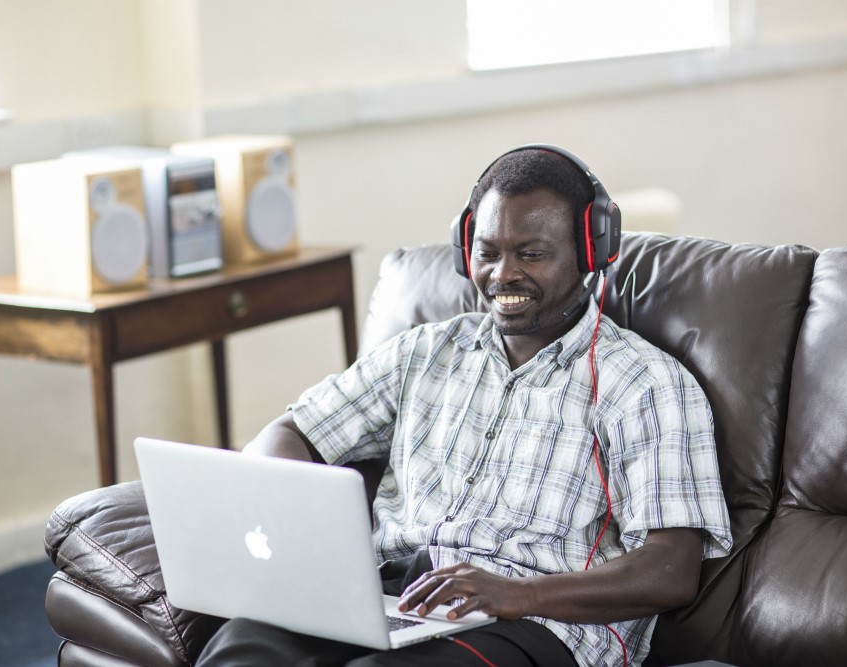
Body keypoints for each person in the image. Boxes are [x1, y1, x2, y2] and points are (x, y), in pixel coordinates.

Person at [197, 146, 732, 667]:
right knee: (244, 645)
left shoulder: (646, 384)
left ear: (591, 251)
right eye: (488, 252)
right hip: (390, 594)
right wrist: (308, 537)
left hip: (537, 625)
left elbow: (670, 570)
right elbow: (291, 431)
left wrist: (516, 594)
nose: (503, 275)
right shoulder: (424, 352)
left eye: (532, 254)